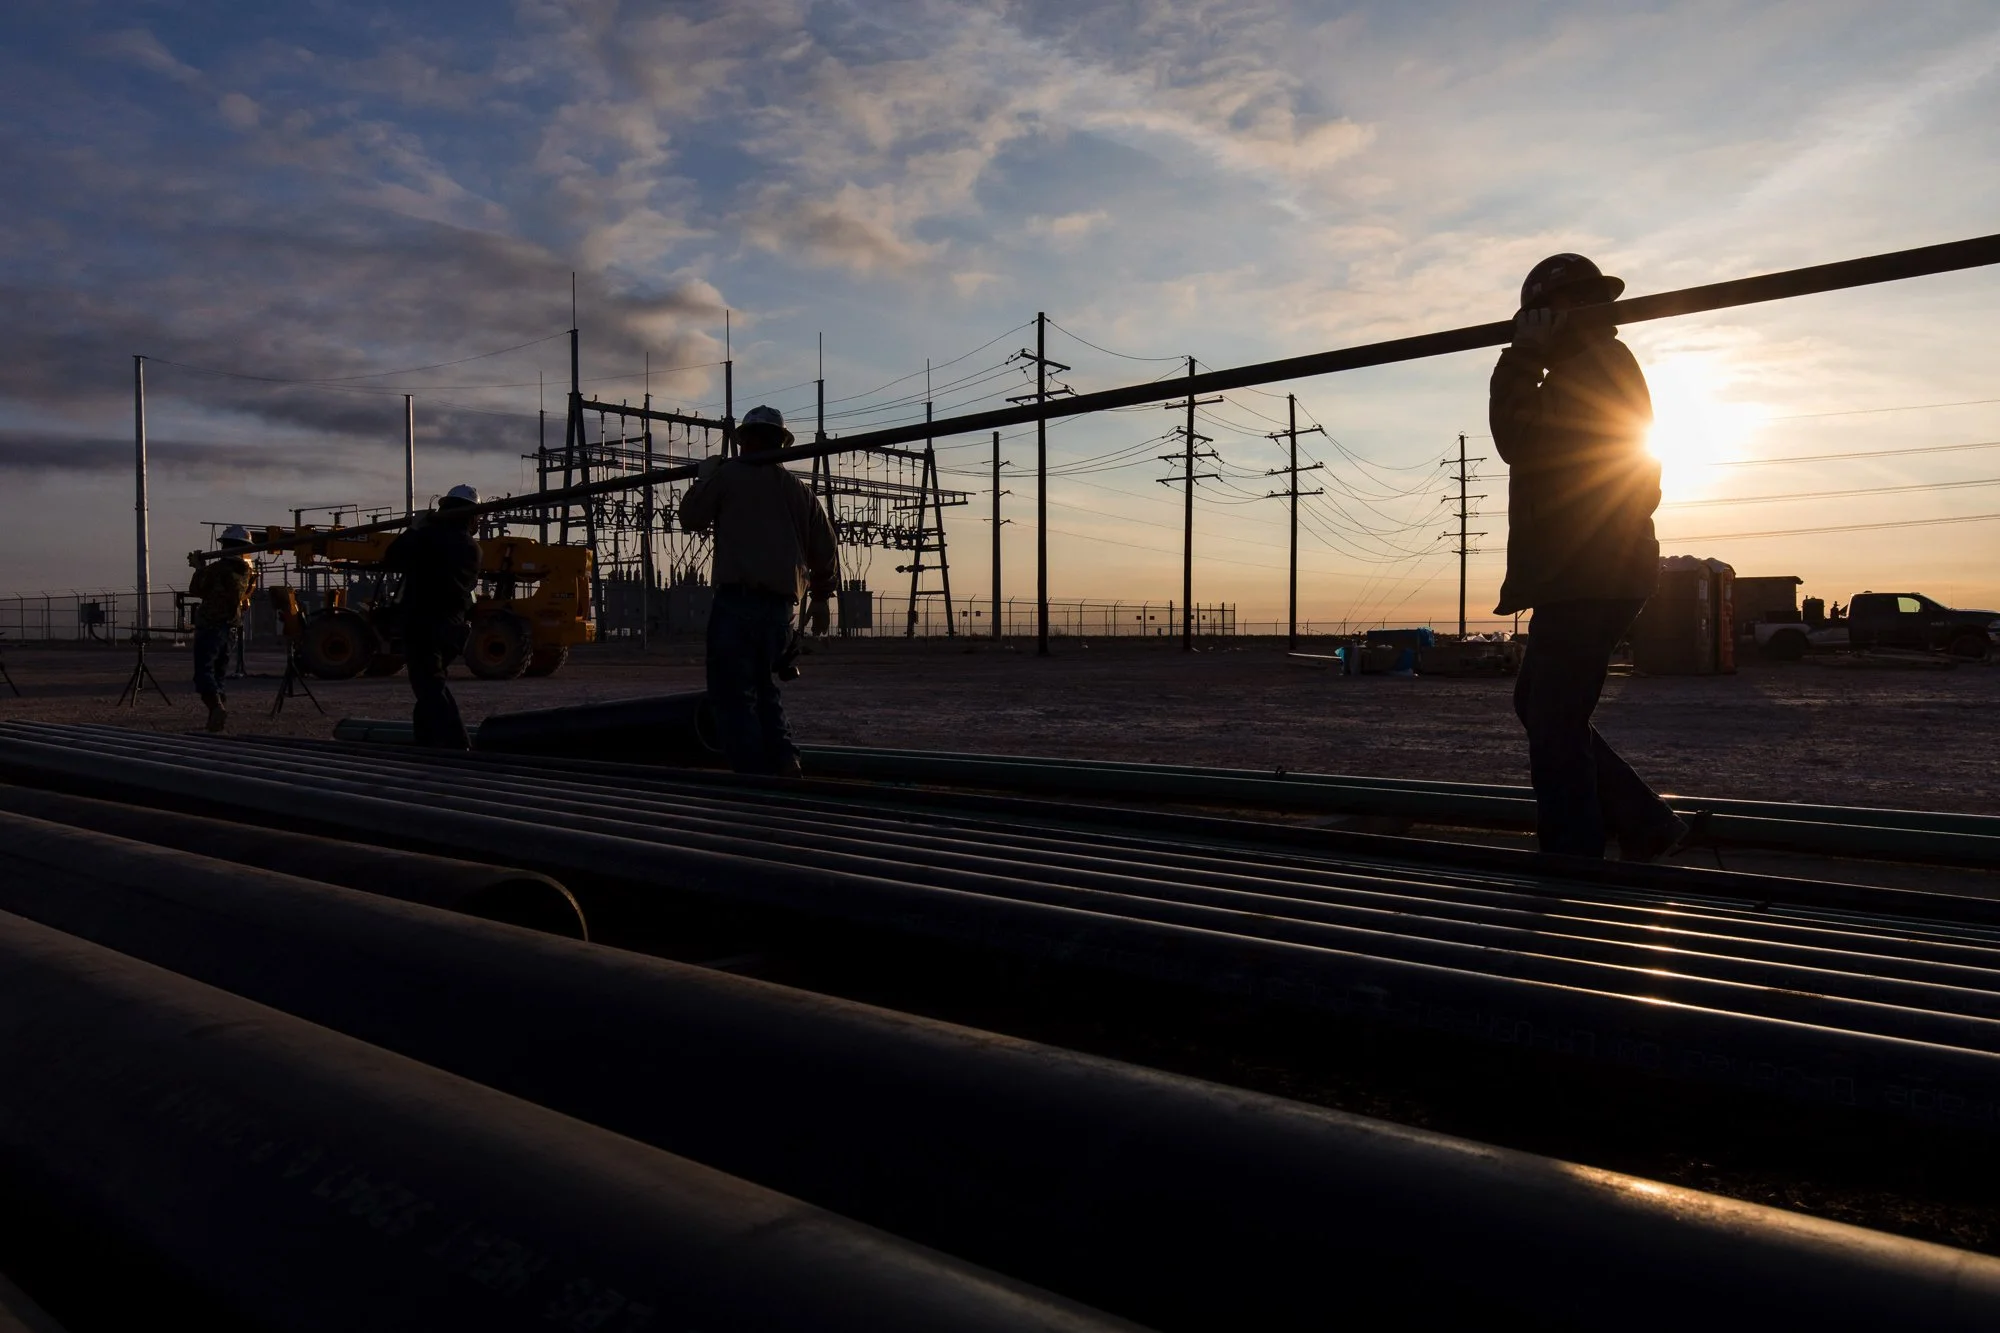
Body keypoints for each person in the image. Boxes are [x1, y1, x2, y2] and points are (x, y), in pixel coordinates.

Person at [1491, 253, 1687, 860]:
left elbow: (1514, 438)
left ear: (1560, 312)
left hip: (1588, 570)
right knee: (1544, 707)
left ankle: (1574, 857)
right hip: (1590, 568)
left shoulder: (1591, 367)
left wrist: (1520, 357)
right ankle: (1644, 823)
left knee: (1551, 717)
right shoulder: (1595, 365)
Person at [678, 405, 838, 777]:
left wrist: (703, 480)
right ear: (781, 443)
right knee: (765, 690)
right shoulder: (800, 492)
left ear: (745, 441)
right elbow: (826, 549)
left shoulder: (729, 475)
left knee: (733, 697)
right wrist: (822, 595)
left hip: (737, 603)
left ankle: (752, 779)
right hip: (780, 610)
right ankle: (785, 763)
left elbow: (692, 518)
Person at [383, 485, 483, 749]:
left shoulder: (429, 537)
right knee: (429, 687)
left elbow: (392, 558)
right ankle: (426, 742)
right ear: (472, 516)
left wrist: (415, 529)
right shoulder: (472, 548)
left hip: (423, 625)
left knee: (430, 688)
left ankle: (458, 744)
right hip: (452, 628)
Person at [186, 525, 257, 732]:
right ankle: (216, 715)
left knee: (204, 673)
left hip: (211, 626)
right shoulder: (247, 571)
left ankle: (216, 708)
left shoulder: (218, 569)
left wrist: (199, 568)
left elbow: (196, 588)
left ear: (226, 545)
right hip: (231, 627)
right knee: (218, 674)